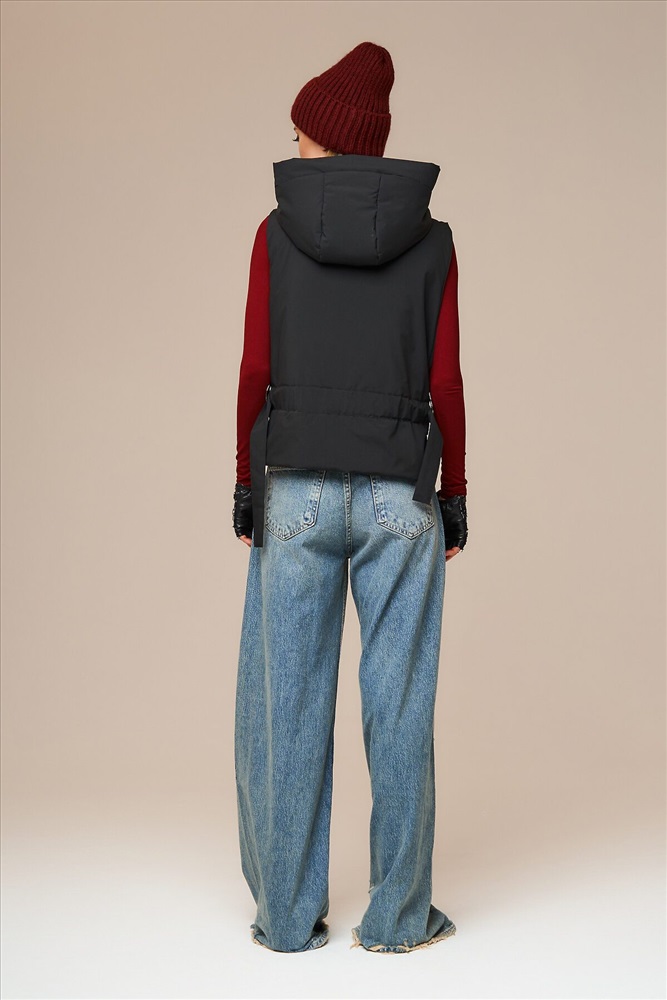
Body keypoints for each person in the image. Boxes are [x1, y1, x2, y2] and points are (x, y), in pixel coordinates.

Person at [232, 40, 468, 954]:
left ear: (327, 139)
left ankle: (288, 921)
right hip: (401, 496)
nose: (291, 144)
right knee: (399, 704)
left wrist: (245, 481)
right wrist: (455, 491)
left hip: (293, 487)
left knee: (285, 705)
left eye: (300, 132)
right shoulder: (434, 240)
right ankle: (400, 919)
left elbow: (255, 368)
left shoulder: (273, 232)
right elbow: (444, 382)